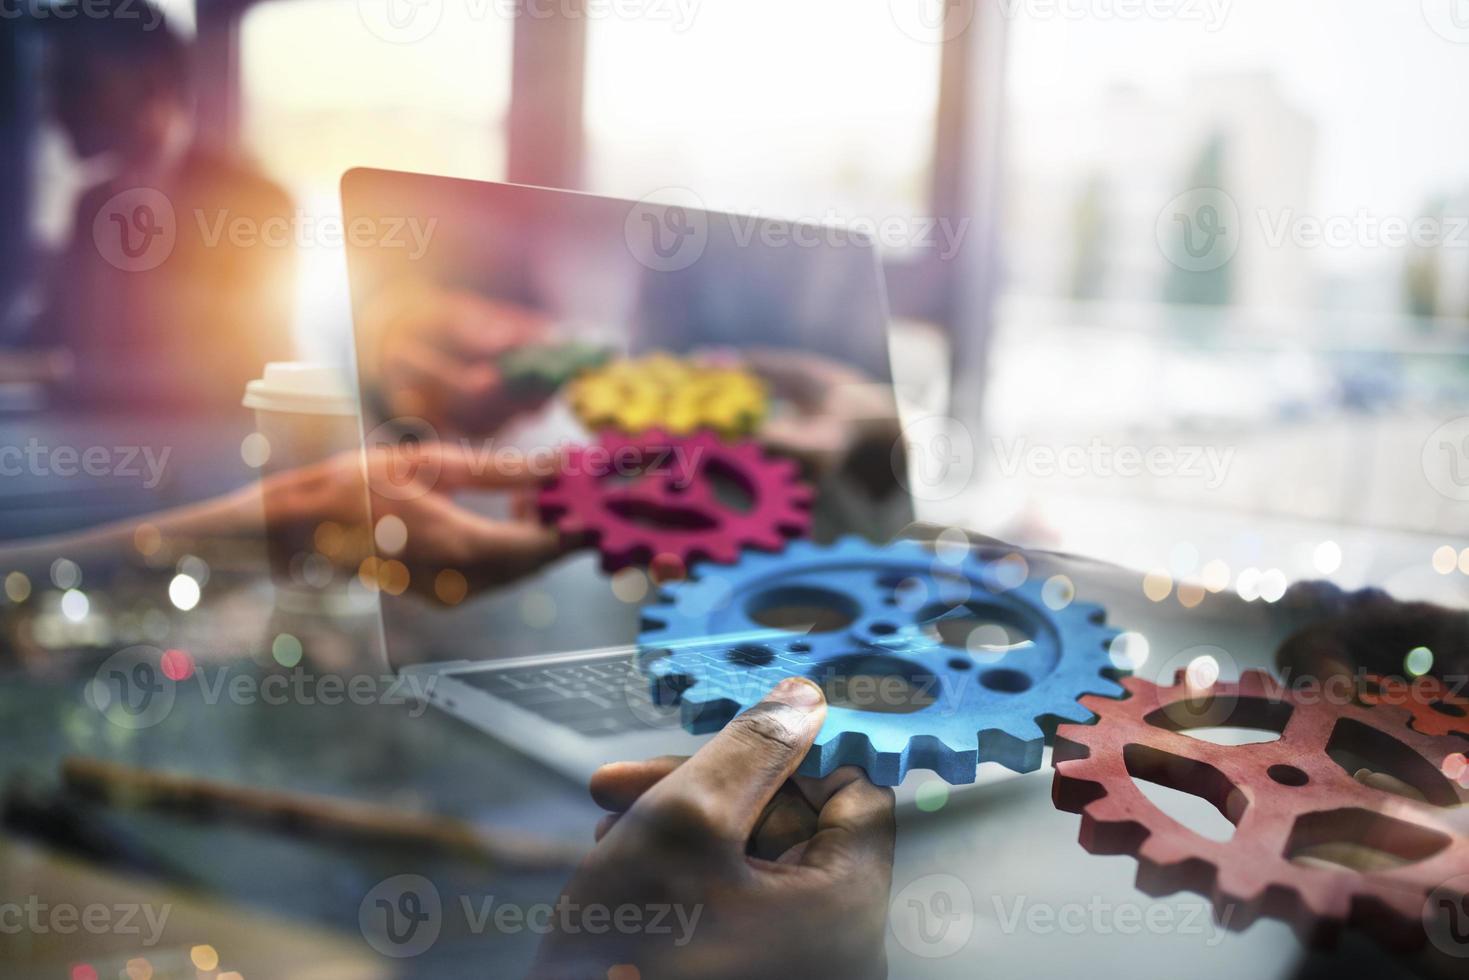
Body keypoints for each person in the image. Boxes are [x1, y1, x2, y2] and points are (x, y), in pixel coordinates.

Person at [38, 0, 296, 409]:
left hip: (217, 462)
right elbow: (50, 335)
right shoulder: (90, 206)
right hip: (89, 453)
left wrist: (88, 379)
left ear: (151, 82)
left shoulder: (253, 204)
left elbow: (250, 366)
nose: (55, 108)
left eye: (76, 82)